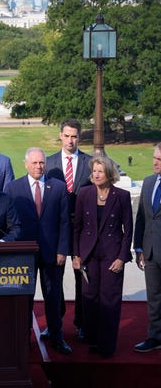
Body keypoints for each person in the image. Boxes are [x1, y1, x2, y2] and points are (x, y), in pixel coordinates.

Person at [7, 147, 72, 355]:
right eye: (34, 163)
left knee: (53, 297)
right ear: (26, 164)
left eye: (41, 163)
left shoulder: (59, 188)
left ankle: (57, 337)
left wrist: (63, 250)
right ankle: (23, 340)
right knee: (24, 298)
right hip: (24, 253)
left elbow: (64, 222)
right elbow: (10, 223)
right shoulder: (13, 188)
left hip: (52, 254)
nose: (38, 166)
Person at [73, 156, 133, 357]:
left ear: (110, 174)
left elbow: (128, 230)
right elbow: (77, 227)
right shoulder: (84, 193)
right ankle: (92, 339)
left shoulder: (122, 196)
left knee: (109, 299)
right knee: (89, 297)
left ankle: (106, 345)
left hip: (112, 256)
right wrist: (76, 255)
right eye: (94, 171)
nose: (96, 174)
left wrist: (122, 258)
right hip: (88, 255)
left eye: (100, 171)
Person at [44, 118, 92, 341]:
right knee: (54, 277)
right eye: (67, 135)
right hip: (57, 229)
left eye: (74, 136)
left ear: (79, 137)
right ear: (60, 136)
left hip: (83, 229)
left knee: (81, 277)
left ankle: (82, 323)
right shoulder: (49, 163)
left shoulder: (90, 162)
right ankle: (55, 322)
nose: (70, 140)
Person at [133, 142, 161, 352]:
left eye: (159, 160)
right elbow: (142, 217)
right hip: (150, 251)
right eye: (155, 158)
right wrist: (139, 248)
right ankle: (155, 336)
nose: (155, 162)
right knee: (154, 298)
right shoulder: (149, 182)